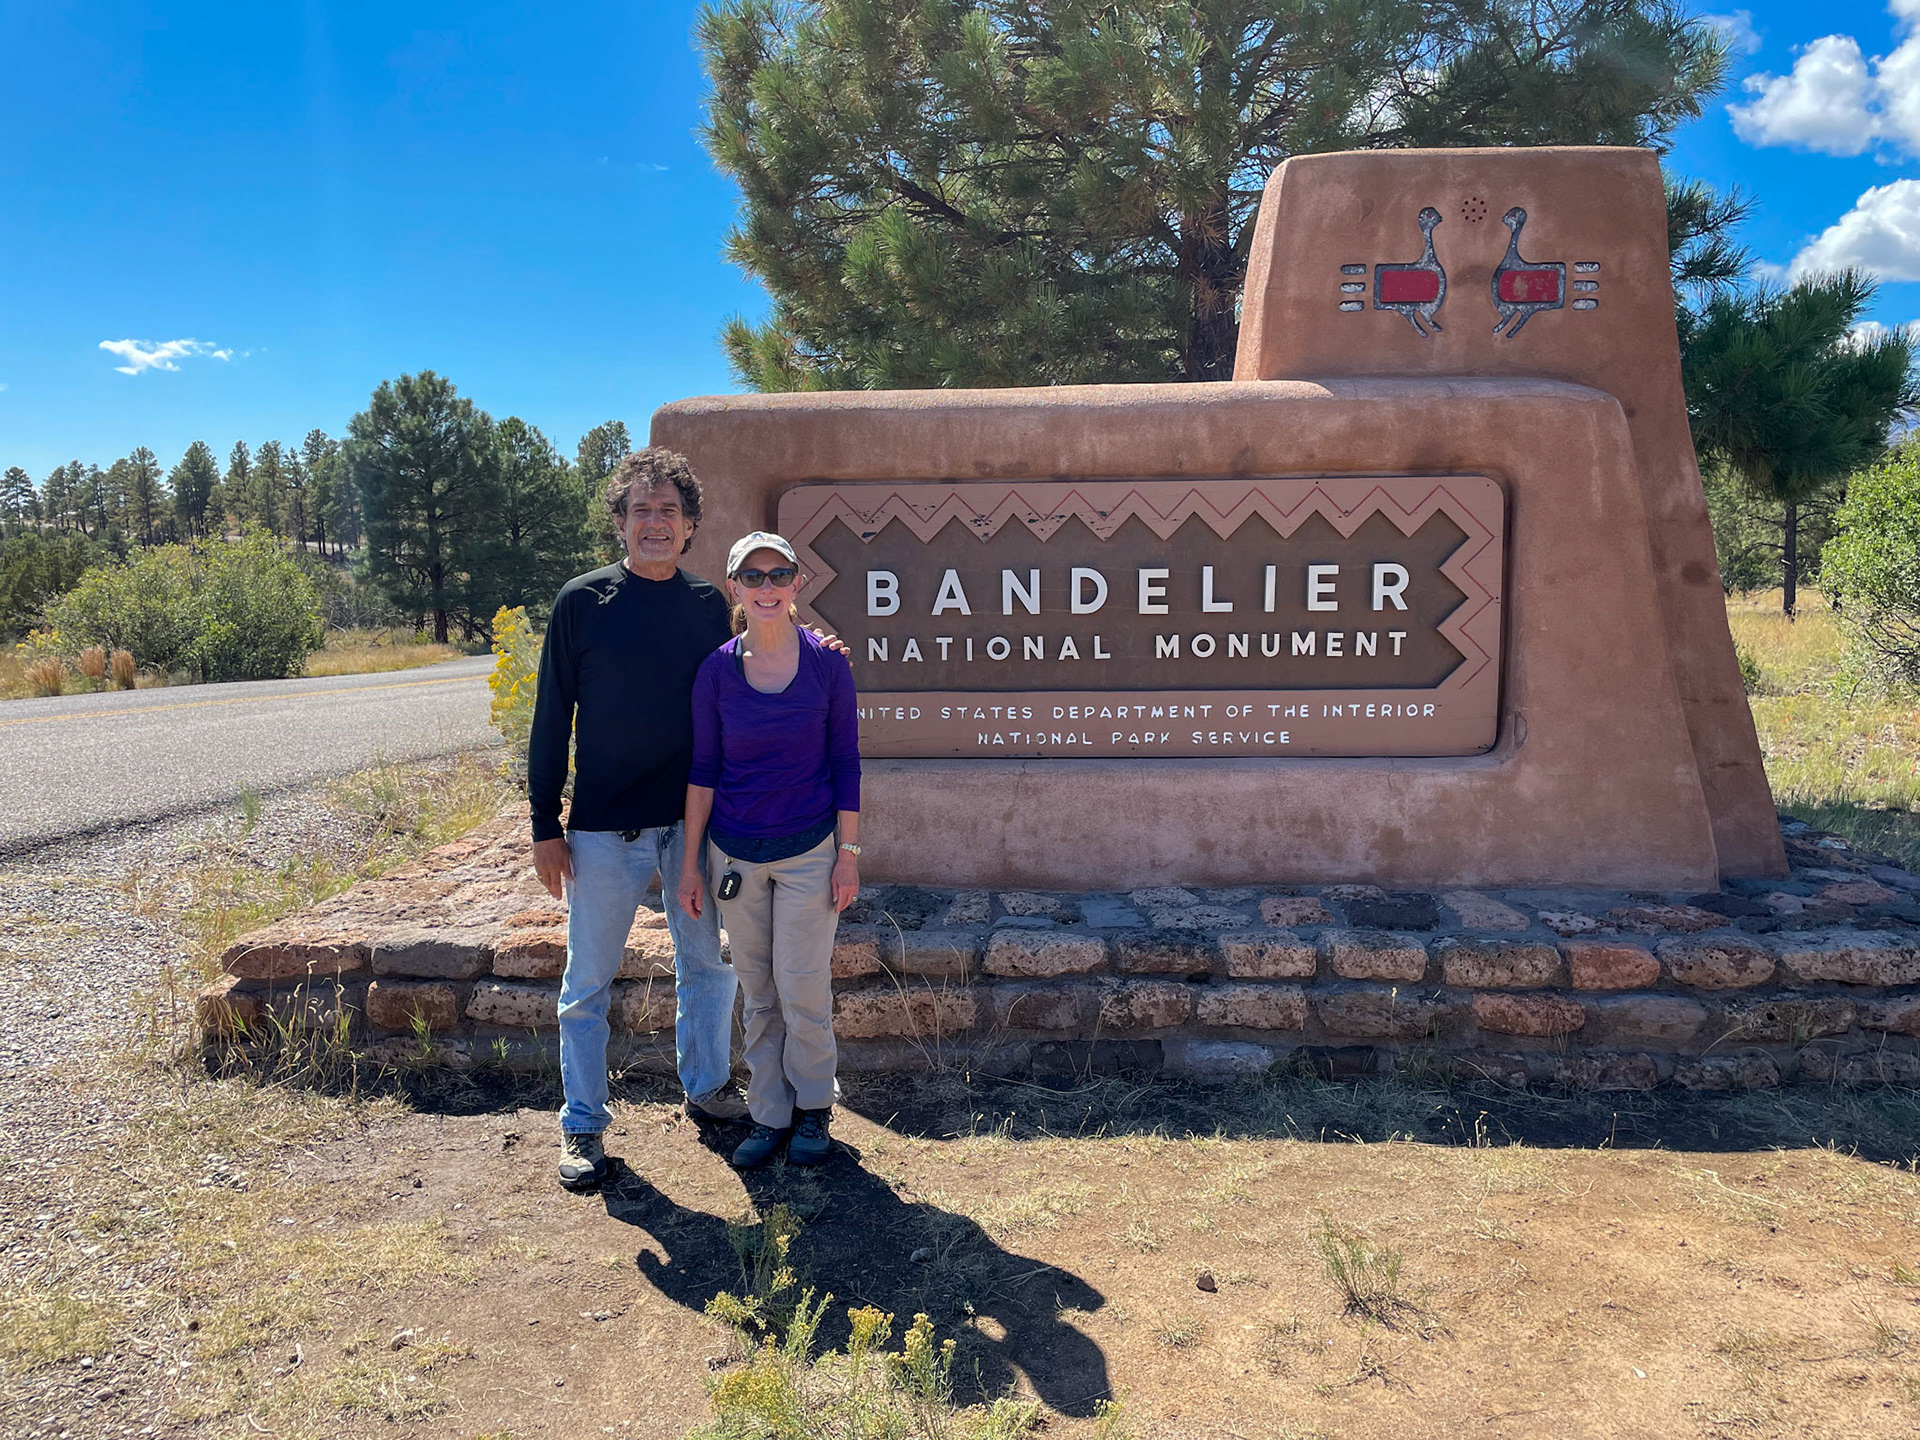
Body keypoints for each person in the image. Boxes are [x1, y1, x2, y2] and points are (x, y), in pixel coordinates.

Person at [527, 449, 745, 1191]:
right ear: (619, 521)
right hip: (602, 829)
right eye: (641, 511)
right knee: (587, 983)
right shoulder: (583, 604)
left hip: (691, 824)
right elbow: (552, 719)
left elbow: (741, 697)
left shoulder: (708, 605)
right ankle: (583, 1126)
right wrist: (543, 825)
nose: (656, 524)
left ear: (690, 527)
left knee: (708, 963)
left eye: (670, 512)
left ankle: (709, 1089)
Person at [678, 532, 861, 1169]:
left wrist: (849, 852)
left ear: (796, 585)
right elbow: (702, 771)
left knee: (803, 985)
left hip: (810, 850)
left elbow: (846, 764)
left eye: (777, 575)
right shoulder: (715, 671)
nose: (765, 587)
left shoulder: (829, 667)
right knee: (757, 990)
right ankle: (769, 1113)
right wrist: (690, 865)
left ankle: (813, 1109)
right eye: (751, 577)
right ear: (734, 588)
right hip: (735, 855)